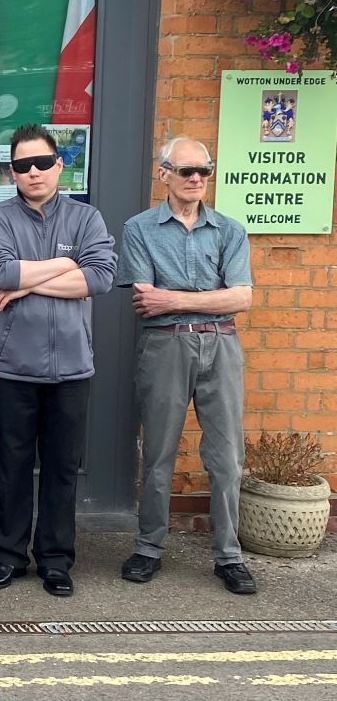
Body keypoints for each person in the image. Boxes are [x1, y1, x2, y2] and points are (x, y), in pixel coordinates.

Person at [0, 124, 116, 596]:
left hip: (72, 368)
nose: (32, 172)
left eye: (41, 163)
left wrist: (27, 284)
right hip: (11, 367)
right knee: (11, 466)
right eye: (21, 166)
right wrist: (66, 265)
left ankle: (55, 559)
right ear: (11, 172)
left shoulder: (86, 219)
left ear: (60, 166)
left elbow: (99, 278)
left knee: (60, 468)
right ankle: (8, 557)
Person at [115, 137, 256, 596]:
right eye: (187, 171)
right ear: (165, 174)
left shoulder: (230, 230)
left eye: (204, 172)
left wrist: (174, 298)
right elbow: (143, 299)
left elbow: (243, 297)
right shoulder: (138, 228)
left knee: (227, 459)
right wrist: (210, 299)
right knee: (157, 454)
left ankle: (229, 556)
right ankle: (149, 546)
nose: (197, 179)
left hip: (222, 346)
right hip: (166, 347)